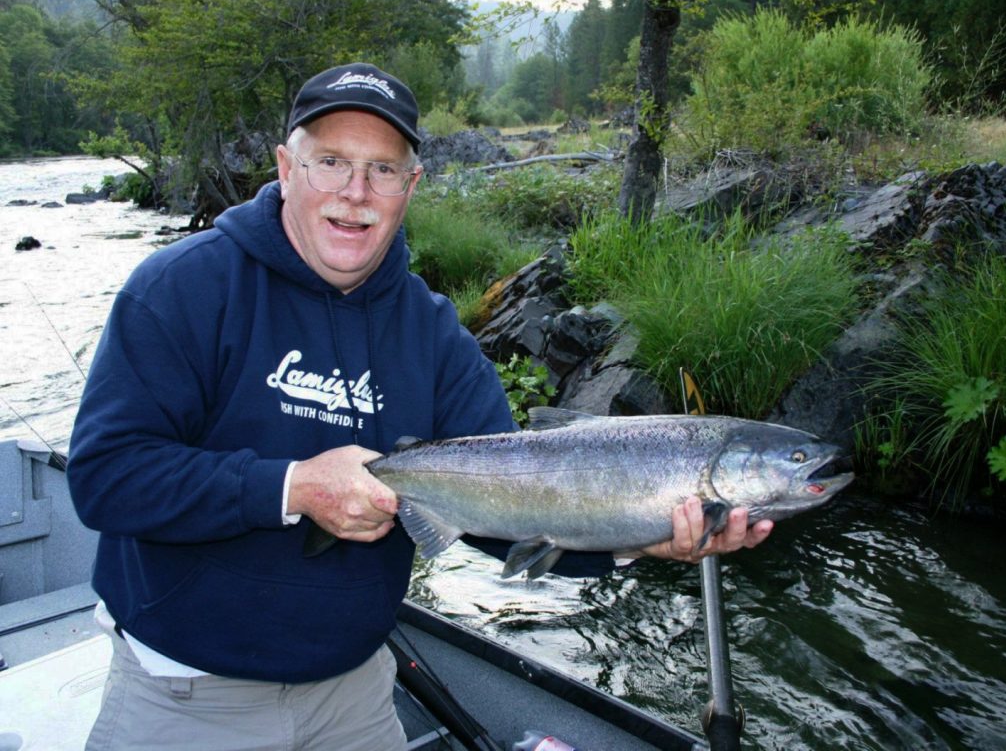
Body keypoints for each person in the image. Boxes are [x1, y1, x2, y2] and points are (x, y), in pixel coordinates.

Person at [68, 62, 773, 750]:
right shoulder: (181, 288)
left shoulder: (432, 333)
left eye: (382, 170)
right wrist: (292, 488)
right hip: (182, 694)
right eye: (332, 162)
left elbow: (515, 507)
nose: (355, 193)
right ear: (286, 168)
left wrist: (639, 536)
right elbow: (106, 476)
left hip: (353, 692)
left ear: (412, 185)